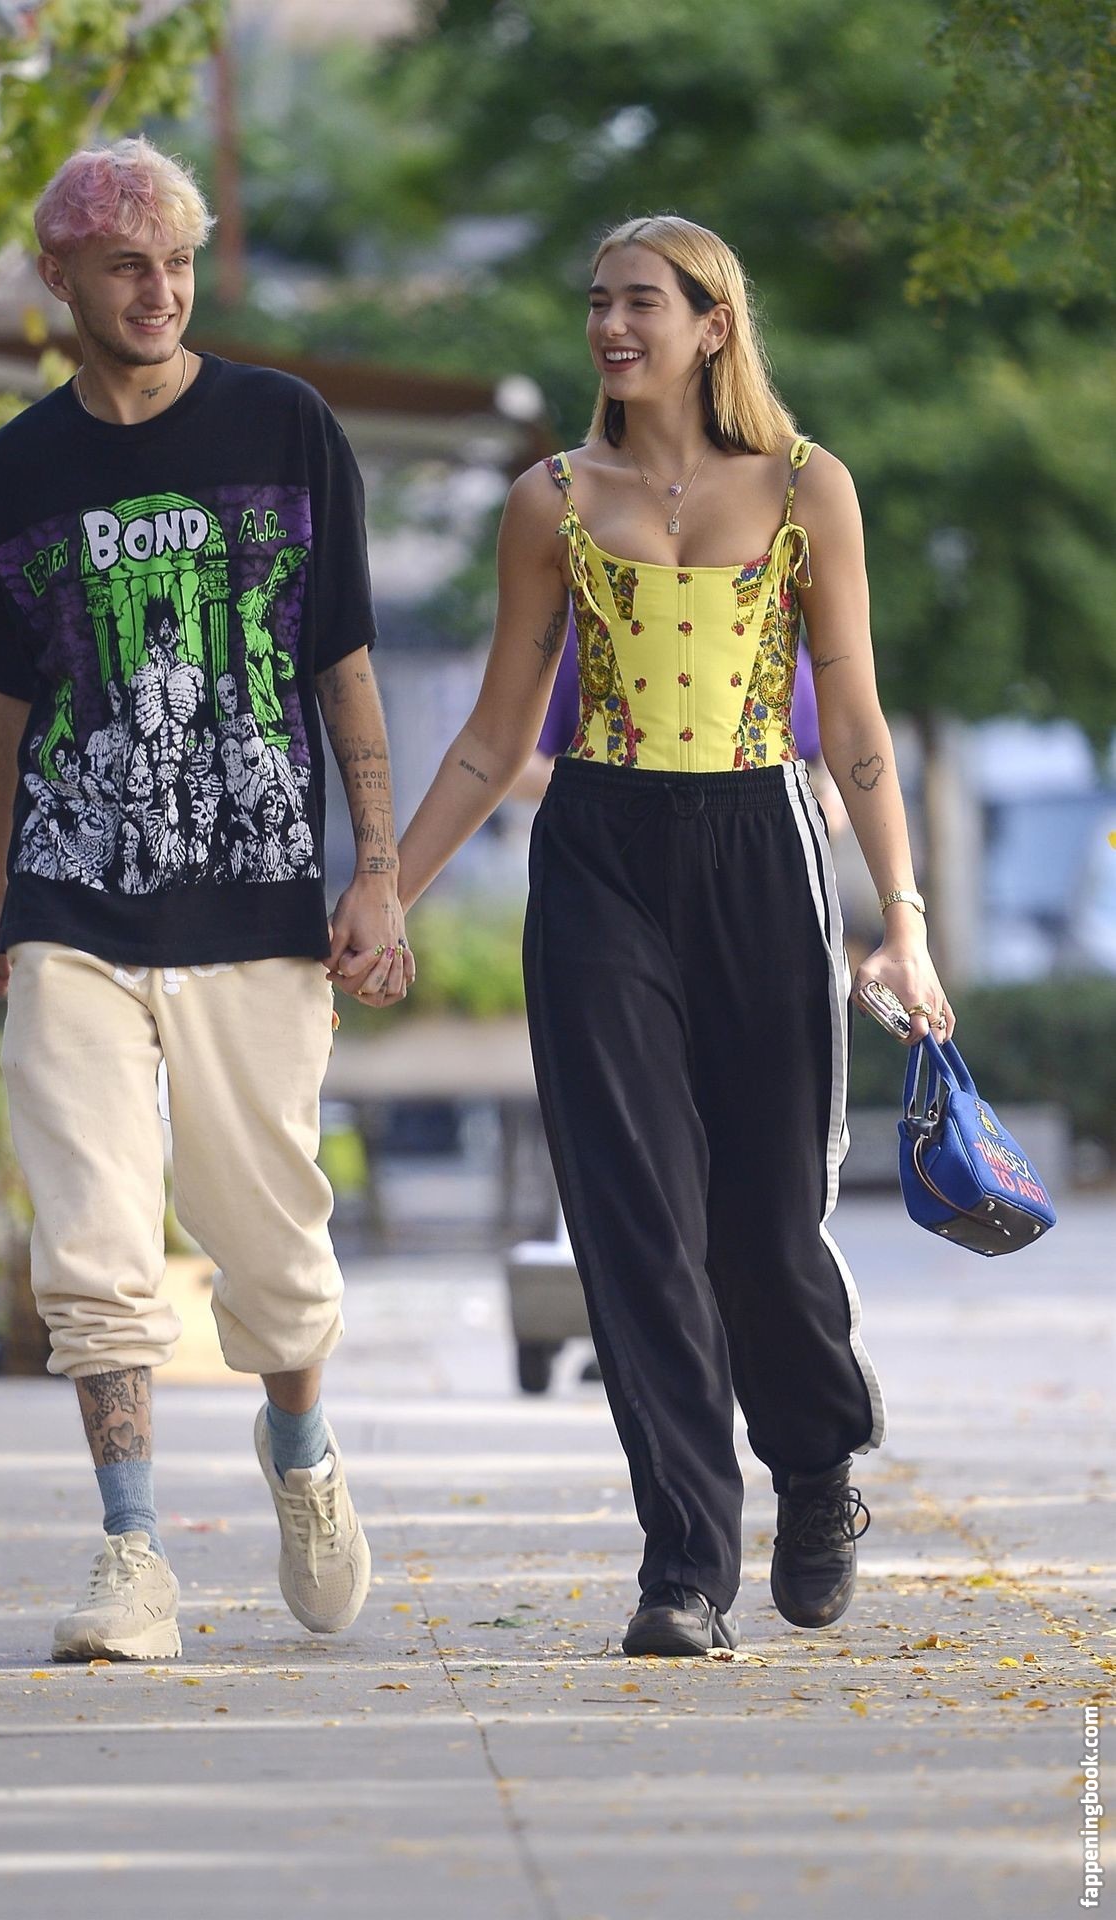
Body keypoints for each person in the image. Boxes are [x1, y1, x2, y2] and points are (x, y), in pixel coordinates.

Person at [397, 214, 953, 1657]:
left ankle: (816, 1462)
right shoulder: (549, 502)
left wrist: (901, 921)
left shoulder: (807, 487)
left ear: (714, 324)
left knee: (764, 1226)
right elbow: (492, 738)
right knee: (635, 1219)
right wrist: (384, 889)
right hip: (601, 850)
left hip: (763, 845)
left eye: (641, 301)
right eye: (598, 302)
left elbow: (857, 723)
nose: (610, 326)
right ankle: (685, 1566)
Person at [0, 137, 413, 1662]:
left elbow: (341, 661)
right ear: (61, 277)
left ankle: (301, 1458)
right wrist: (5, 889)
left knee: (271, 1250)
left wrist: (379, 872)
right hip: (74, 901)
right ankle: (132, 1552)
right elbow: (9, 701)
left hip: (255, 902)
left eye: (179, 264)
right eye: (127, 266)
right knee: (91, 1239)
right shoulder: (16, 468)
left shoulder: (283, 426)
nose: (159, 292)